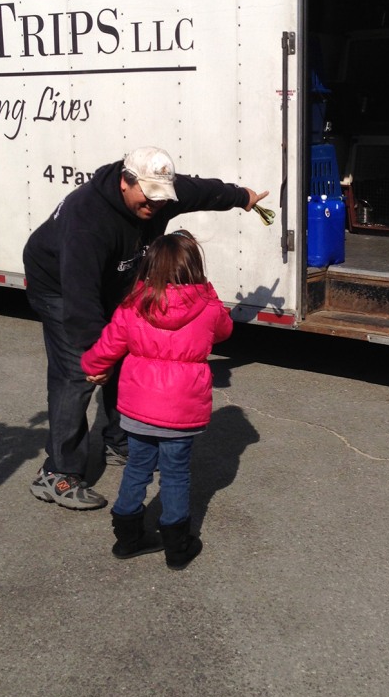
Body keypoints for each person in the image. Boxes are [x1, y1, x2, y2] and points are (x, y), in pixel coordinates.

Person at [23, 146, 267, 511]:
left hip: (112, 280)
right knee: (77, 372)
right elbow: (80, 299)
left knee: (128, 353)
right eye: (148, 197)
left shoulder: (159, 192)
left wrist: (241, 197)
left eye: (160, 198)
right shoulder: (86, 221)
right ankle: (58, 473)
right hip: (60, 286)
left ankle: (118, 440)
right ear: (126, 182)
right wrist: (97, 356)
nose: (155, 206)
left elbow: (201, 191)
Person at [81, 230, 232, 569]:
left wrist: (92, 367)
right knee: (176, 475)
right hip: (181, 412)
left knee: (137, 466)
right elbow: (224, 330)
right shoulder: (207, 307)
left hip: (137, 408)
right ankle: (177, 546)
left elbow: (109, 344)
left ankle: (128, 536)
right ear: (195, 268)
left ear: (148, 265)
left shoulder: (133, 303)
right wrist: (207, 291)